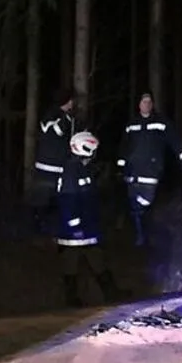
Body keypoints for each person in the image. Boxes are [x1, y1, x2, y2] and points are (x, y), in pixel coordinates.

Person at [55, 131, 126, 308]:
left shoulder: (81, 168)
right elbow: (68, 200)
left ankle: (110, 293)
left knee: (97, 259)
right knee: (71, 265)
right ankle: (72, 300)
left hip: (87, 227)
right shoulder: (71, 171)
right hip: (73, 231)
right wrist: (75, 225)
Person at [117, 92, 182, 246]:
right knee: (134, 207)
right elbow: (123, 147)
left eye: (149, 101)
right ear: (139, 105)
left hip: (150, 173)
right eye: (143, 101)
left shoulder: (161, 123)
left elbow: (175, 141)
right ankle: (140, 236)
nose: (146, 104)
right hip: (132, 174)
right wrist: (121, 166)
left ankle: (146, 233)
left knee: (144, 204)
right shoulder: (131, 124)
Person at [29, 87, 80, 236]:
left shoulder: (59, 117)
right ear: (68, 101)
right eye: (71, 100)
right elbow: (56, 131)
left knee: (49, 203)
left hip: (53, 167)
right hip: (51, 168)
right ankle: (40, 230)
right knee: (45, 202)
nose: (73, 103)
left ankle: (47, 230)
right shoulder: (55, 117)